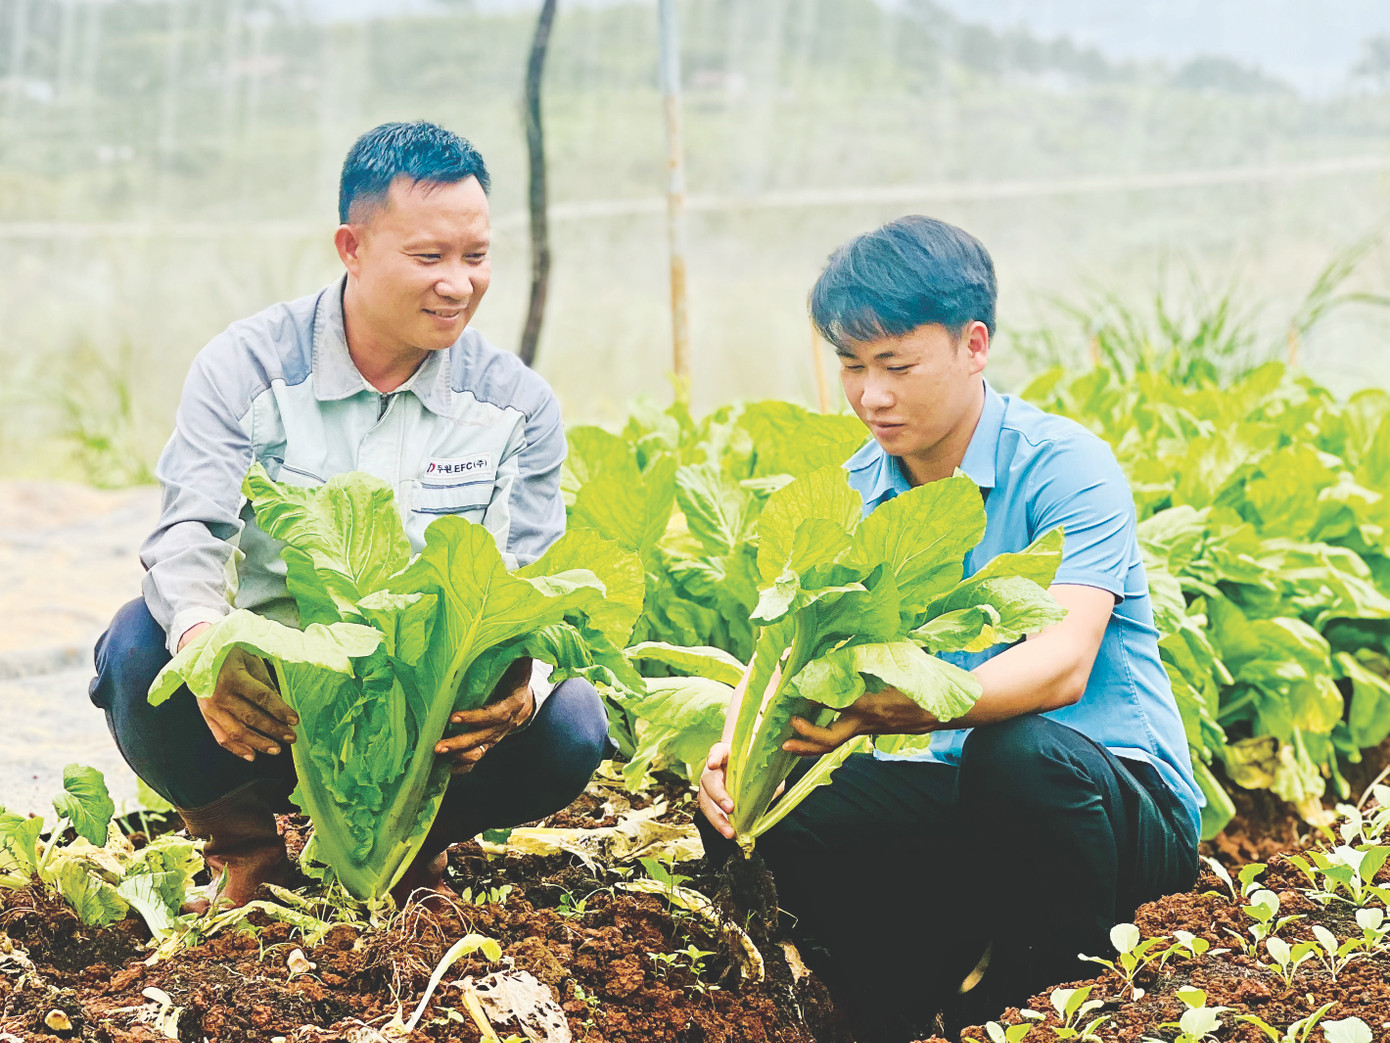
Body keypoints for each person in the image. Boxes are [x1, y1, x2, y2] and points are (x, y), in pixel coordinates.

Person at [696, 216, 1202, 1041]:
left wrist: (909, 709)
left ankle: (1050, 1009)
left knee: (1019, 755)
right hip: (967, 804)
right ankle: (892, 1011)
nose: (871, 395)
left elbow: (1063, 664)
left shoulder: (1064, 466)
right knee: (762, 810)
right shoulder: (855, 492)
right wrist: (736, 753)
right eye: (852, 365)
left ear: (974, 345)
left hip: (1114, 810)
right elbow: (789, 645)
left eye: (896, 365)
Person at [88, 121, 609, 910]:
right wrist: (203, 646)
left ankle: (414, 849)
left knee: (571, 718)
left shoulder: (517, 404)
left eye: (476, 256)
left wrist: (524, 686)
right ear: (352, 248)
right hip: (274, 711)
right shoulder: (248, 367)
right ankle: (248, 856)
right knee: (140, 648)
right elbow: (189, 531)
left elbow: (537, 577)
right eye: (428, 257)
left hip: (424, 726)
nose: (458, 283)